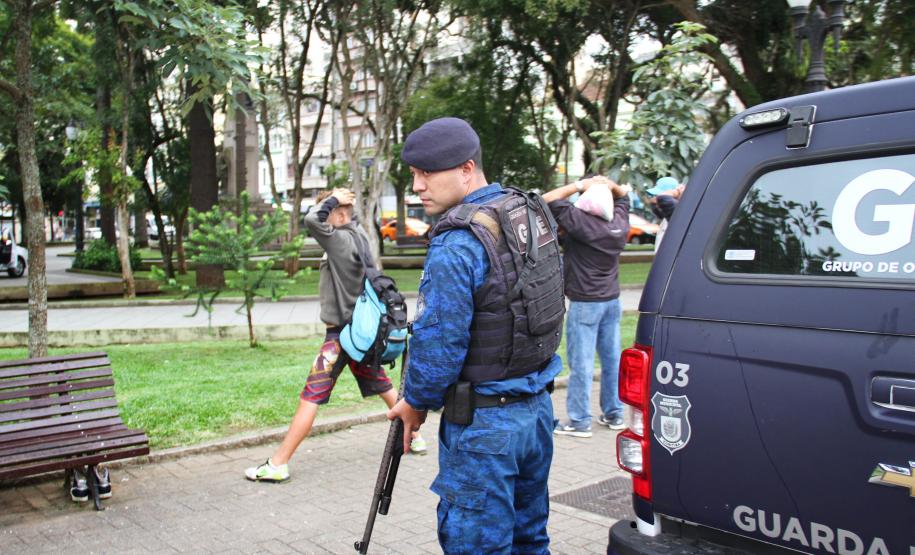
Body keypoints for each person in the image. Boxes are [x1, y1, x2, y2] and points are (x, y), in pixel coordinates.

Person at [388, 117, 563, 554]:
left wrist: (414, 403)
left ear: (466, 168)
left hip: (485, 427)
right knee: (530, 540)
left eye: (427, 173)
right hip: (536, 413)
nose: (418, 186)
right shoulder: (526, 210)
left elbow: (439, 346)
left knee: (477, 546)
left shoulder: (458, 241)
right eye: (414, 174)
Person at [245, 188, 425, 483]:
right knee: (380, 383)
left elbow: (312, 221)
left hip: (342, 337)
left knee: (311, 395)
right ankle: (414, 435)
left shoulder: (340, 239)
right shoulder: (359, 236)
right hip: (359, 336)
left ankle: (279, 463)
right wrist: (336, 202)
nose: (325, 216)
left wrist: (330, 202)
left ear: (339, 212)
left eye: (330, 210)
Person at [543, 175, 630, 436]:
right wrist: (608, 183)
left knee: (580, 363)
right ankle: (614, 413)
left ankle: (579, 420)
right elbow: (623, 196)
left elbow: (545, 200)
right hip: (612, 301)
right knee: (611, 359)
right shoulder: (619, 223)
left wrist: (583, 184)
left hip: (585, 303)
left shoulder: (580, 223)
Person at [647, 176, 685, 251]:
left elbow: (663, 198)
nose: (655, 199)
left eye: (657, 195)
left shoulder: (677, 213)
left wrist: (676, 190)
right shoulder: (665, 218)